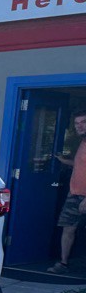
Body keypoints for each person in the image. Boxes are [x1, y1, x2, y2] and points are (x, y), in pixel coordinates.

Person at [48, 110, 86, 273]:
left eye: (83, 122)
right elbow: (80, 165)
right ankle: (63, 264)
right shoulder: (82, 143)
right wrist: (64, 161)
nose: (79, 126)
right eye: (77, 123)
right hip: (74, 193)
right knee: (68, 227)